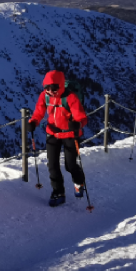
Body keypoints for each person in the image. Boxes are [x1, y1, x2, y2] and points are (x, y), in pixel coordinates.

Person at [27, 71, 88, 207]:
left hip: (70, 134)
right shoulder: (45, 97)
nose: (50, 91)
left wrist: (77, 124)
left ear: (60, 85)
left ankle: (79, 182)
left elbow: (82, 117)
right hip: (53, 133)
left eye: (53, 87)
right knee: (52, 165)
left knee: (70, 165)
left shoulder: (71, 97)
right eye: (47, 88)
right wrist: (33, 122)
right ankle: (58, 192)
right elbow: (39, 111)